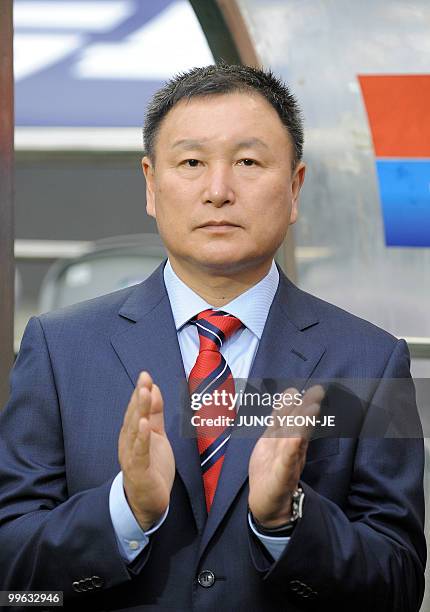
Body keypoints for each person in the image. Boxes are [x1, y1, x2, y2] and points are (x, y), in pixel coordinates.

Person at [0, 64, 426, 612]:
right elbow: (13, 576)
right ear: (152, 185)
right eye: (192, 162)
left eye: (248, 162)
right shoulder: (60, 349)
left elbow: (398, 585)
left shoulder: (368, 359)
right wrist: (124, 511)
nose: (218, 191)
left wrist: (287, 520)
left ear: (294, 188)